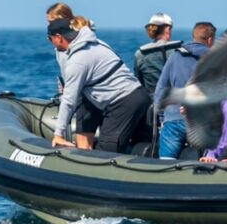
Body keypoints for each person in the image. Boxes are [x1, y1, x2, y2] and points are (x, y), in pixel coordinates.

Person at [48, 18, 151, 153]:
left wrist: (58, 134)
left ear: (59, 38)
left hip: (123, 103)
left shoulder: (77, 61)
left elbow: (69, 100)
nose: (50, 43)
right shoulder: (98, 43)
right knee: (140, 143)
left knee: (106, 153)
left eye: (50, 39)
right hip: (140, 94)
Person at [153, 21, 217, 159]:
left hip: (173, 119)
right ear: (210, 39)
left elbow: (161, 90)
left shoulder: (175, 56)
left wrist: (162, 118)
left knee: (165, 163)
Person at [46, 2, 95, 149]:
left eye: (51, 22)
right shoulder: (66, 40)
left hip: (84, 94)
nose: (49, 26)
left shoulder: (73, 42)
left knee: (84, 139)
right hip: (76, 89)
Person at [134, 12, 182, 97]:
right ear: (167, 29)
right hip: (176, 101)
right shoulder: (179, 51)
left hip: (153, 103)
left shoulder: (140, 55)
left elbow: (139, 84)